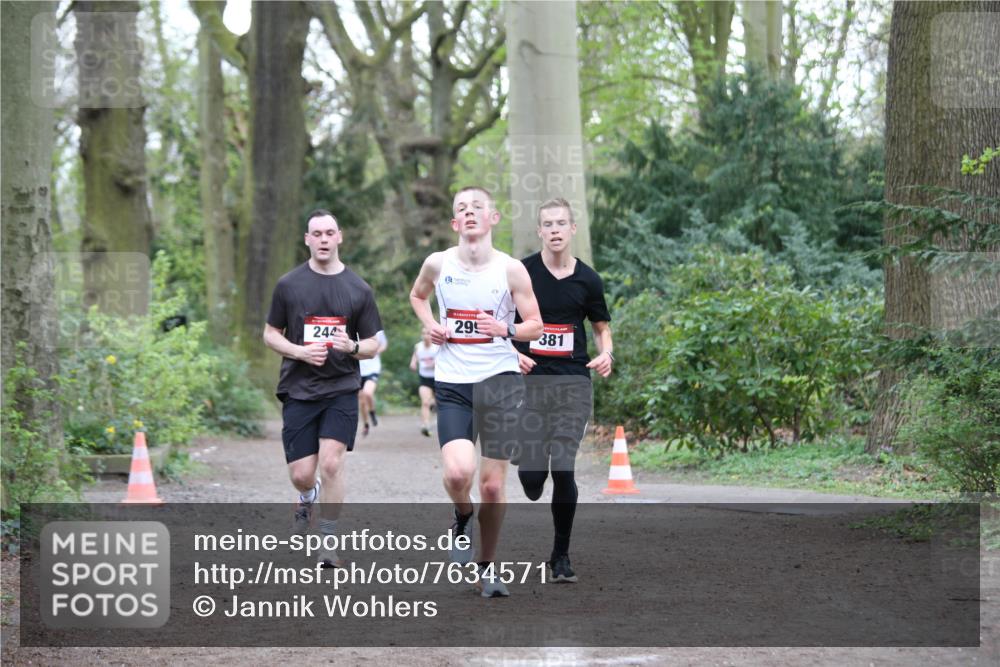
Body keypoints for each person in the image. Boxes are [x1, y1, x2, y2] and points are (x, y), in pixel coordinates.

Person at [410, 186, 543, 598]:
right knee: (457, 473)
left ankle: (488, 568)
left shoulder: (511, 270)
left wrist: (505, 329)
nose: (469, 213)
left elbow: (535, 325)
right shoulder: (437, 263)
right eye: (462, 209)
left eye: (477, 208)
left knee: (491, 485)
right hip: (453, 383)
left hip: (500, 381)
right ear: (454, 223)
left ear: (493, 218)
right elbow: (417, 296)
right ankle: (462, 515)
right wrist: (429, 324)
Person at [263, 209, 383, 568]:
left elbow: (375, 342)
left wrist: (354, 348)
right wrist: (299, 351)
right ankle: (307, 494)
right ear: (307, 239)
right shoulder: (288, 285)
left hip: (341, 388)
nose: (324, 239)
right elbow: (270, 334)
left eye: (330, 233)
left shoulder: (358, 288)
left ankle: (328, 541)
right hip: (299, 389)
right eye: (317, 234)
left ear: (340, 237)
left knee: (331, 465)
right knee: (302, 474)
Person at [513, 198, 614, 584]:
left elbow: (601, 326)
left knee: (564, 467)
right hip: (533, 381)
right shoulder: (522, 272)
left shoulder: (588, 279)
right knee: (532, 483)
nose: (555, 230)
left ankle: (560, 556)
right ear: (540, 231)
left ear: (572, 229)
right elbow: (504, 321)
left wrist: (607, 353)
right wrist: (511, 351)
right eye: (547, 224)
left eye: (561, 223)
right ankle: (525, 456)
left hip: (573, 382)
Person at [409, 328, 439, 437]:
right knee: (425, 402)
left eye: (428, 333)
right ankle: (425, 426)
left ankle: (435, 408)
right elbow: (415, 355)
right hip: (424, 378)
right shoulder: (418, 346)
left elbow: (443, 359)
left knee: (437, 403)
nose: (425, 335)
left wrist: (435, 363)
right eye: (423, 333)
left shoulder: (436, 347)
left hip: (438, 378)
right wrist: (413, 363)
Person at [359, 330, 388, 436]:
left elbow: (384, 345)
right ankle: (366, 424)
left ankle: (372, 412)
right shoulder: (353, 327)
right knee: (362, 402)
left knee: (368, 393)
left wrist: (375, 351)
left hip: (372, 369)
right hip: (359, 370)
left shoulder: (378, 331)